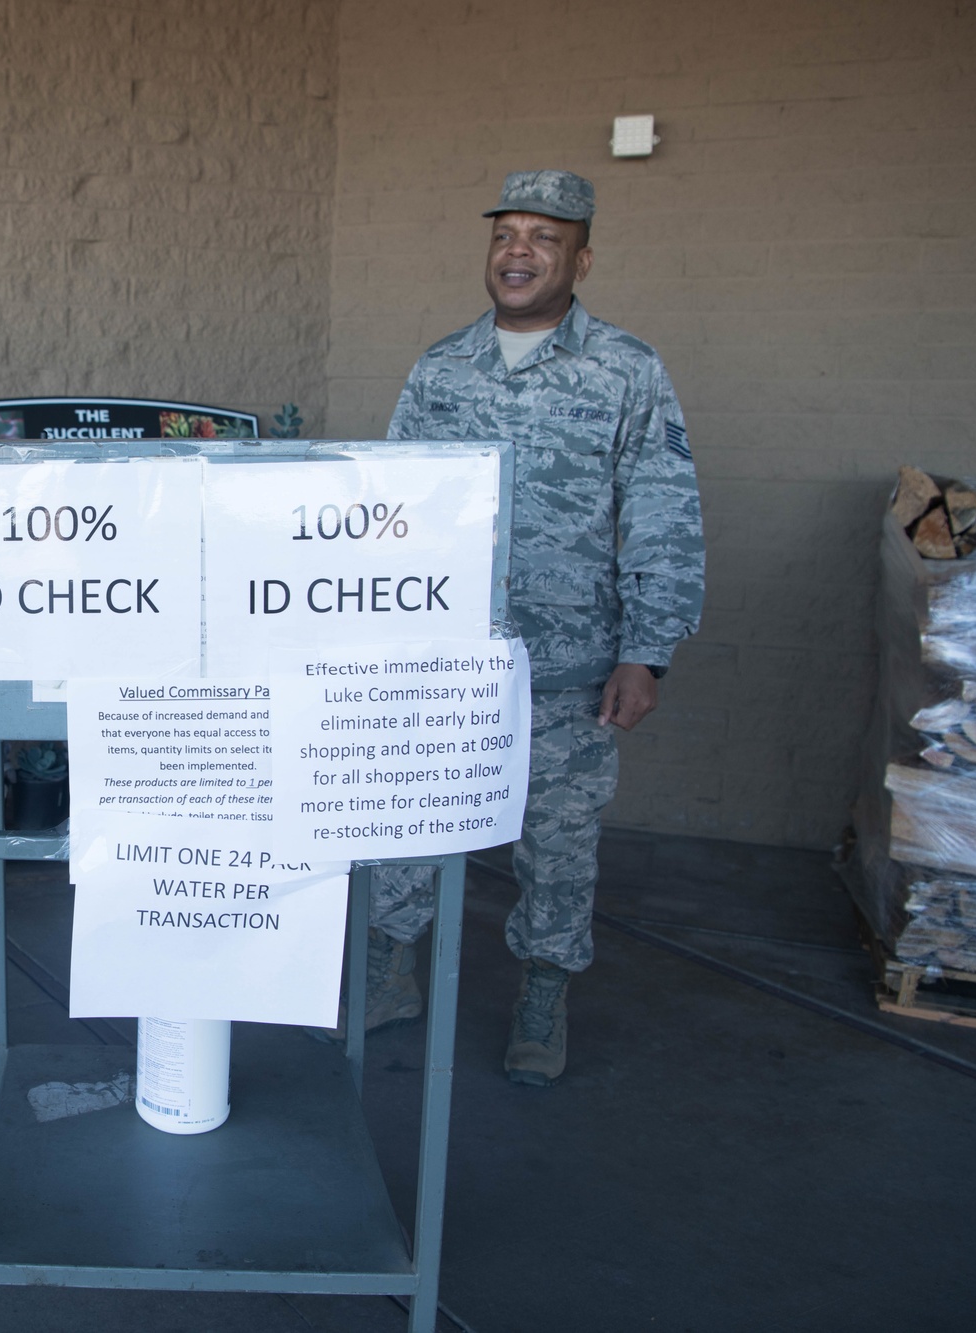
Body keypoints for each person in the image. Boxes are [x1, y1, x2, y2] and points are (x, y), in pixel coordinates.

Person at [367, 169, 705, 1086]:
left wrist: (648, 652)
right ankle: (390, 972)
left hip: (568, 666)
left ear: (580, 259)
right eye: (505, 234)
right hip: (445, 659)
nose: (518, 252)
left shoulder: (628, 371)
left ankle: (543, 997)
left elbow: (662, 510)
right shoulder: (441, 368)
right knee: (406, 821)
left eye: (543, 239)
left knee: (557, 846)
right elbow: (391, 506)